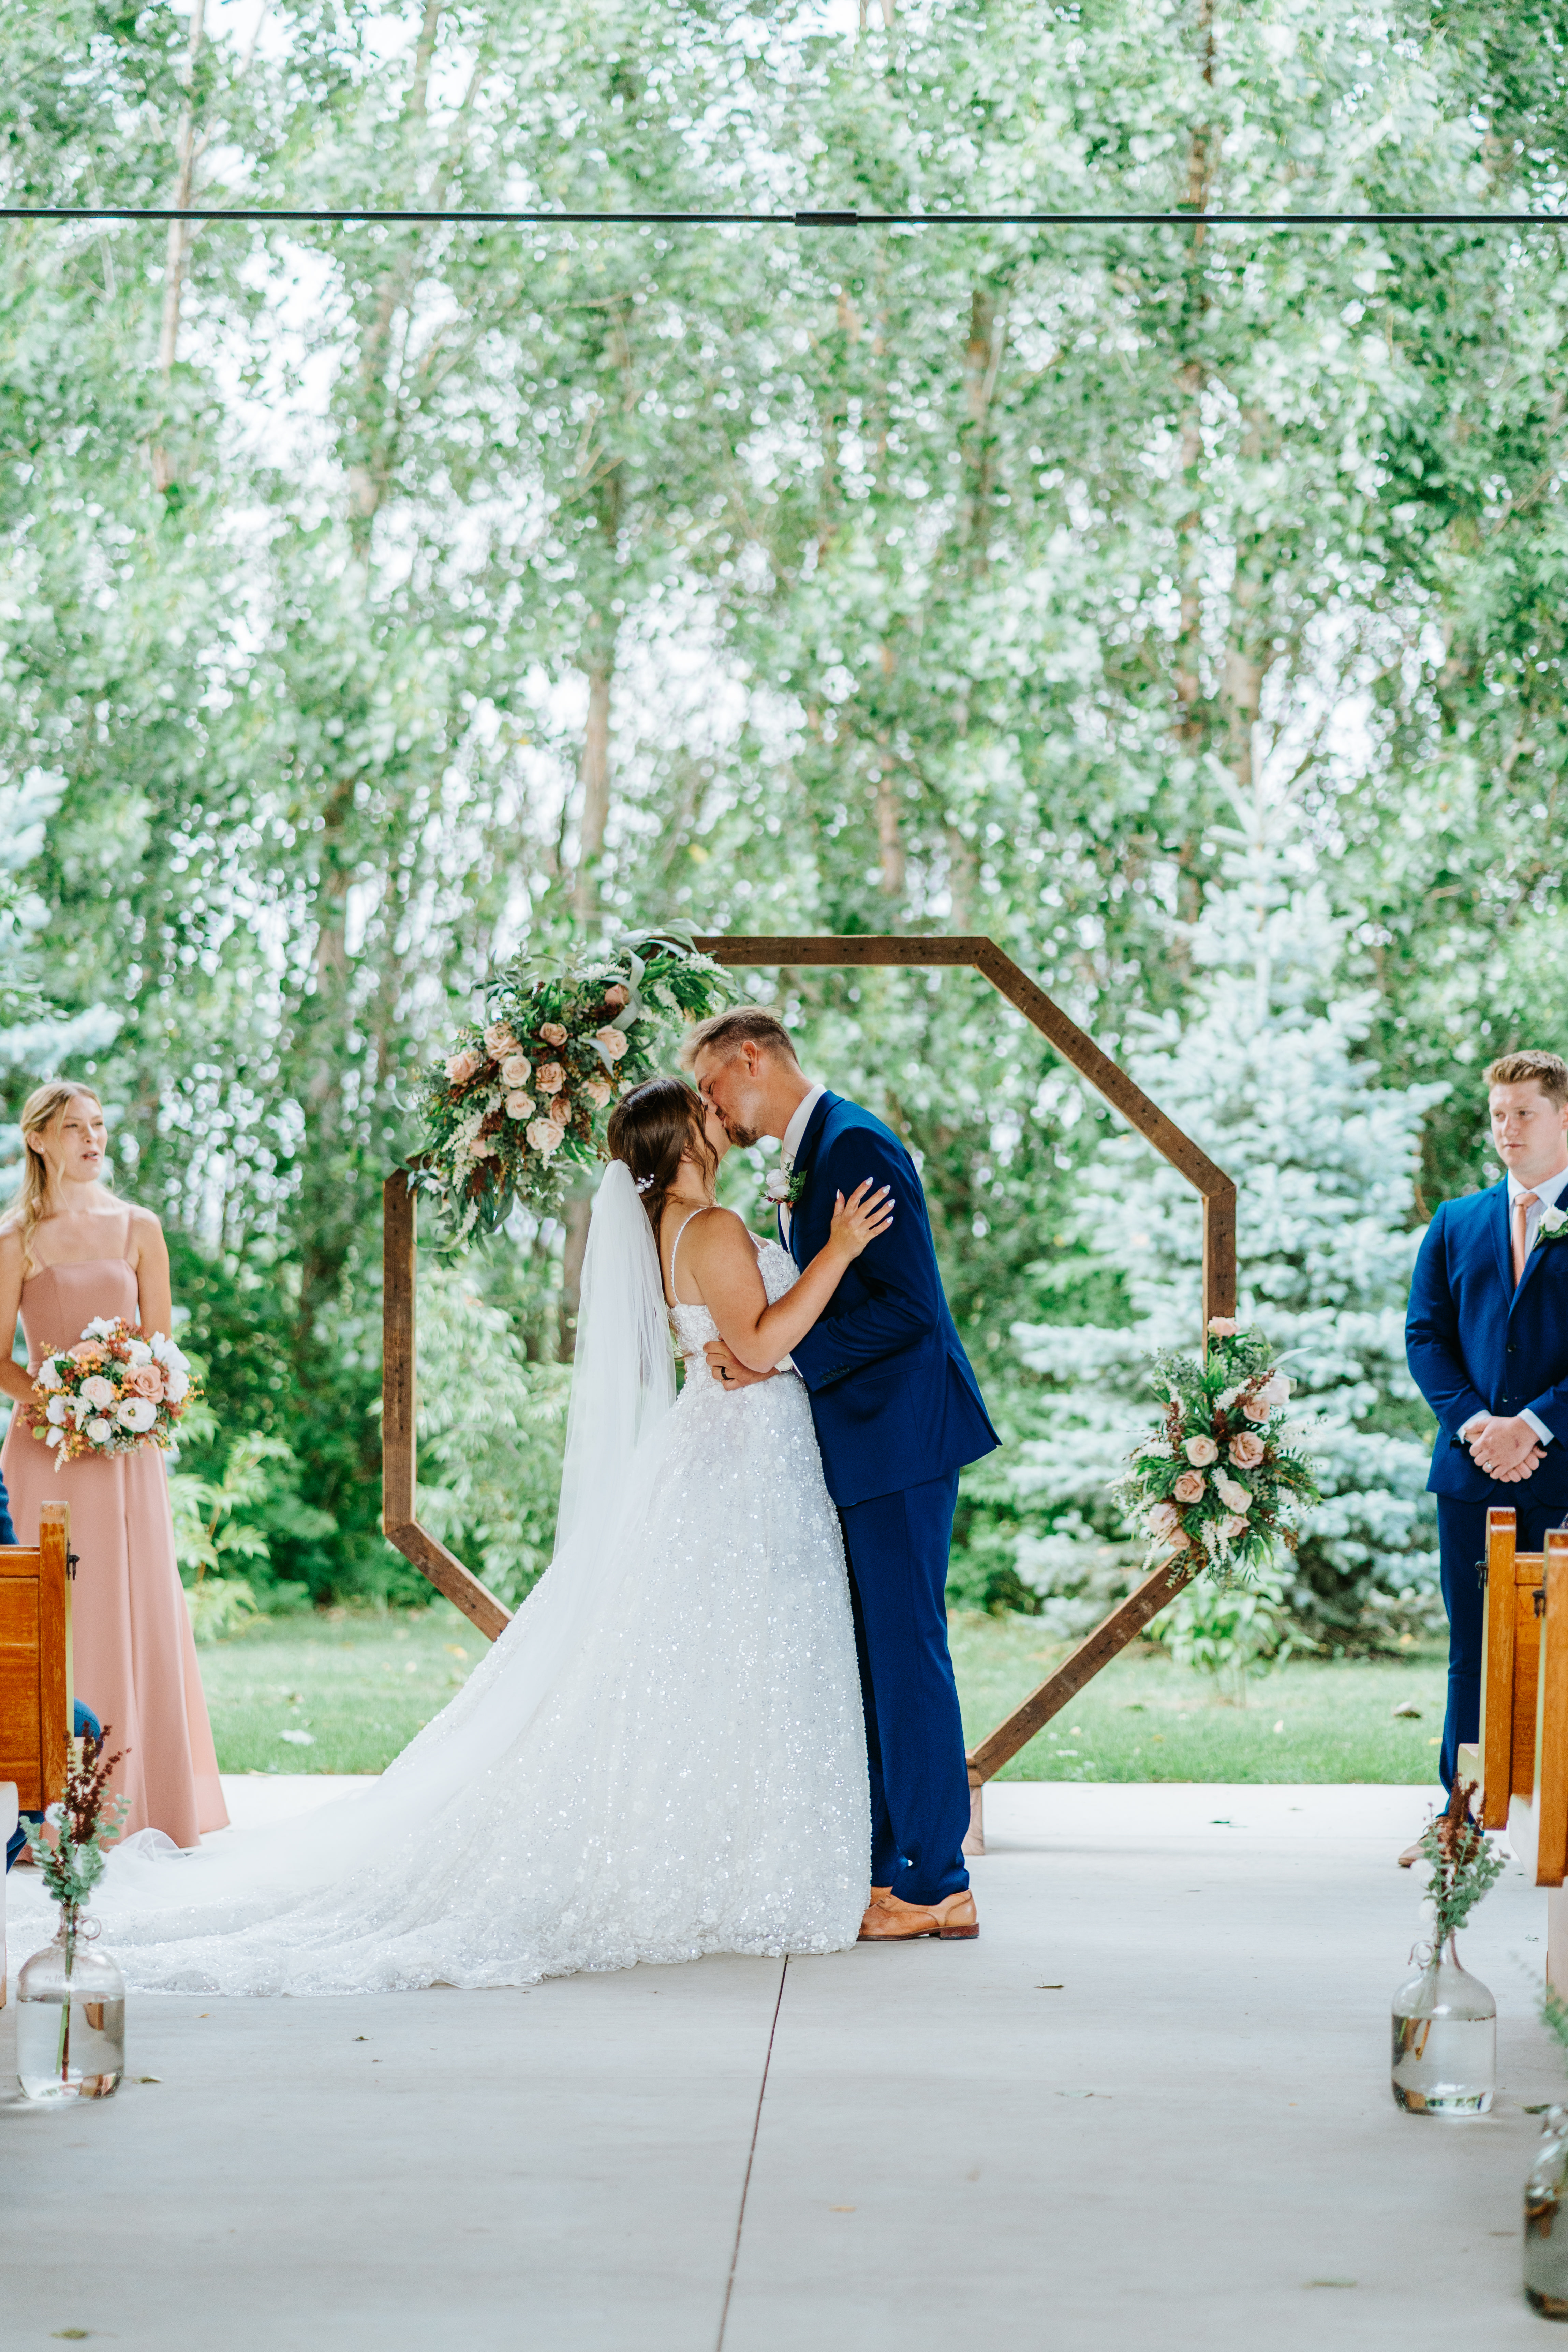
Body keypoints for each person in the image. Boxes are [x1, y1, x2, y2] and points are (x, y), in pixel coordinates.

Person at [6, 1078, 889, 1994]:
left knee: (711, 1660)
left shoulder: (676, 1226)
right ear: (682, 1139)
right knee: (742, 1655)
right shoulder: (706, 1226)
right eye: (706, 1110)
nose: (721, 1115)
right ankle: (740, 1858)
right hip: (743, 1459)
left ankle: (724, 1849)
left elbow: (727, 1341)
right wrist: (835, 1252)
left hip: (725, 1449)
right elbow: (755, 1340)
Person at [686, 1009, 998, 1944]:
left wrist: (778, 1359)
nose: (714, 1110)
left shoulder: (853, 1144)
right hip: (866, 1441)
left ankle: (938, 1879)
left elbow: (907, 1311)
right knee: (879, 1657)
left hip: (901, 1438)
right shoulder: (810, 1150)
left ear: (752, 1058)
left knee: (907, 1655)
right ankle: (894, 1868)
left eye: (713, 1088)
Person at [0, 1081, 227, 1847]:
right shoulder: (17, 1237)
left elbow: (162, 1350)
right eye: (74, 1128)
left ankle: (147, 1802)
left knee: (133, 1604)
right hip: (47, 1451)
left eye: (98, 1126)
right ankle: (47, 1812)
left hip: (128, 1454)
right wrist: (60, 1403)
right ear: (40, 1140)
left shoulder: (140, 1227)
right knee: (53, 1613)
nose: (92, 1139)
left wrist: (130, 1403)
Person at [1406, 1048, 1568, 1831]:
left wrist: (1533, 1425)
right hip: (1470, 1474)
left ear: (1563, 1115)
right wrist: (1478, 1426)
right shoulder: (1455, 1221)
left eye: (1524, 1113)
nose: (1507, 1128)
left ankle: (1559, 1813)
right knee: (1470, 1647)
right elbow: (1424, 1336)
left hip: (1560, 1468)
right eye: (1498, 1114)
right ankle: (1461, 1809)